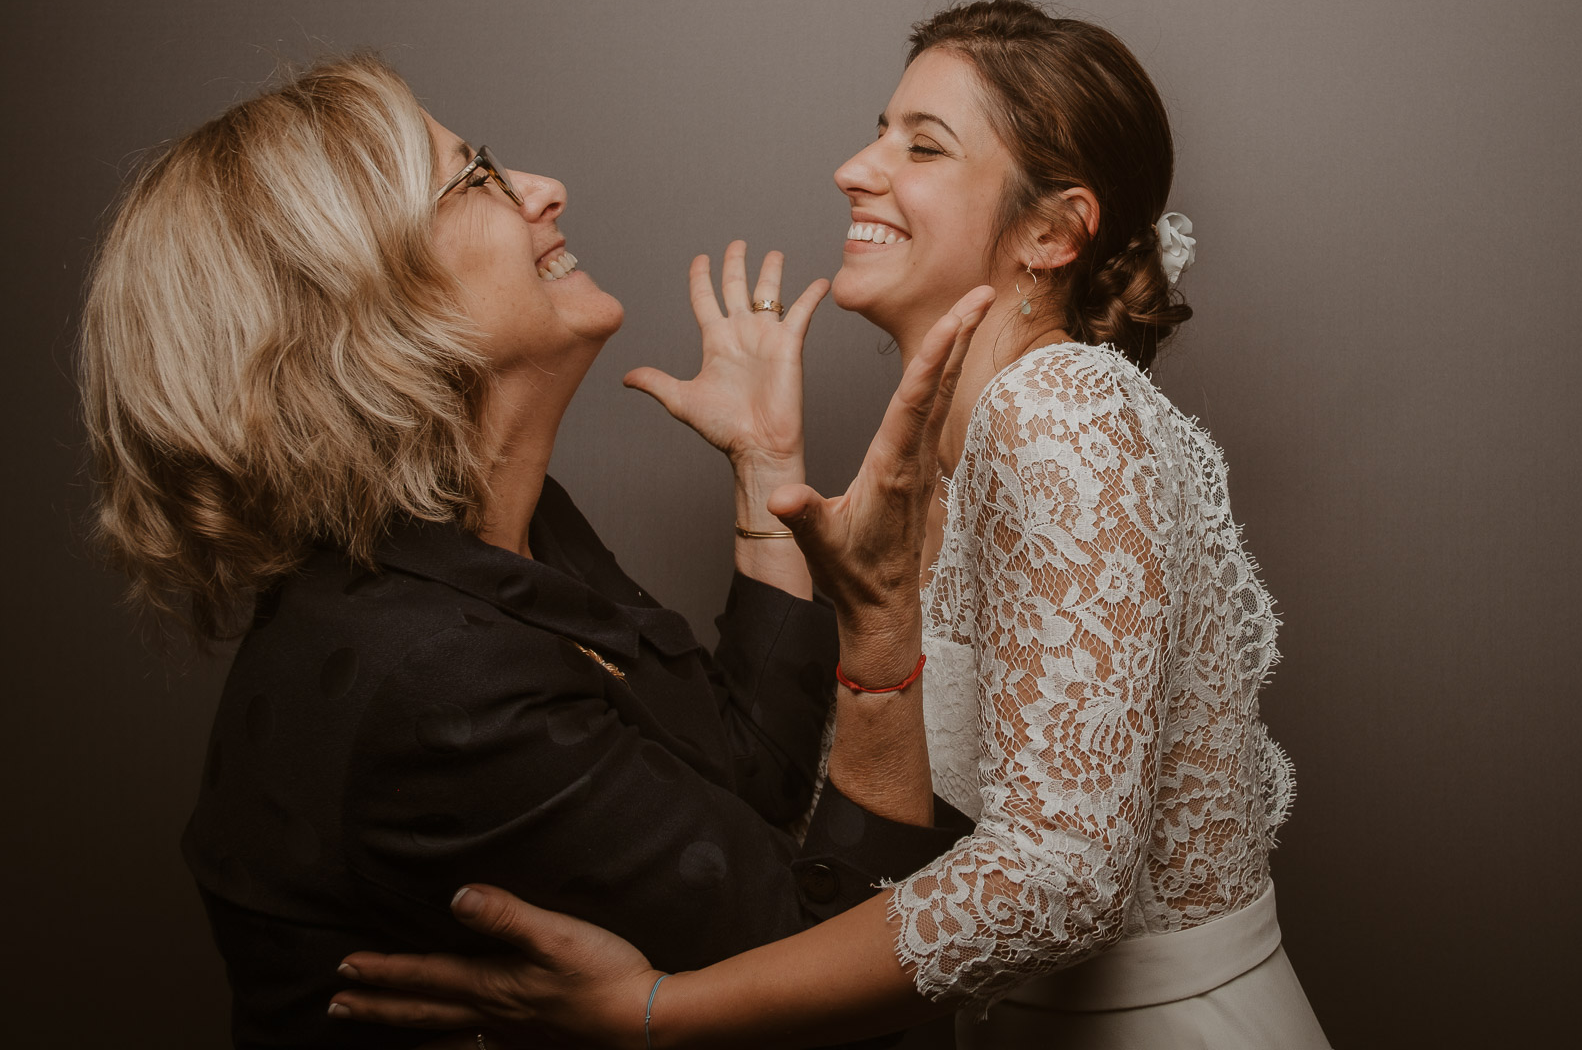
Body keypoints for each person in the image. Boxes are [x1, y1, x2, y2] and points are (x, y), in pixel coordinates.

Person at [332, 0, 1330, 1047]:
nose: (856, 167)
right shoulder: (941, 450)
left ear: (1048, 231)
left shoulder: (1060, 413)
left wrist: (657, 1010)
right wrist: (766, 465)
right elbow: (822, 802)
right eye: (878, 129)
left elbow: (1061, 877)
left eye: (921, 144)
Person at [79, 53, 995, 1048]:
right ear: (364, 303)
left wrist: (763, 462)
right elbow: (854, 993)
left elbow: (748, 768)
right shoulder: (433, 678)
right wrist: (878, 620)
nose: (543, 190)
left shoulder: (511, 532)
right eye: (475, 178)